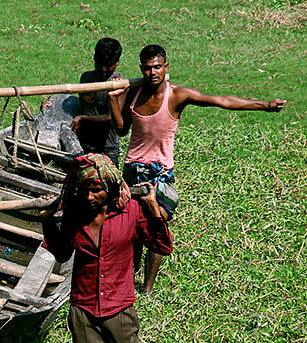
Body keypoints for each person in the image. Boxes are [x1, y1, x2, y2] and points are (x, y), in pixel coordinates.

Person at [109, 44, 286, 294]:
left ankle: (147, 289)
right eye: (147, 69)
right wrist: (113, 98)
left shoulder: (177, 96)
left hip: (160, 176)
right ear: (141, 69)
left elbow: (221, 100)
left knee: (158, 226)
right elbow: (120, 129)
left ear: (166, 67)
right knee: (130, 226)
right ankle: (130, 275)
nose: (152, 73)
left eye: (157, 67)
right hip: (132, 170)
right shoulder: (134, 93)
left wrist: (264, 105)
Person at [41, 153, 173, 343]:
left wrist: (153, 207)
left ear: (111, 187)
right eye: (85, 189)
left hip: (120, 307)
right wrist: (48, 220)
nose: (90, 196)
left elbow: (162, 246)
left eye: (97, 189)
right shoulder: (74, 215)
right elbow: (61, 254)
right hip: (84, 309)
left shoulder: (131, 211)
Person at [72, 37, 123, 165]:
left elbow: (112, 119)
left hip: (106, 150)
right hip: (82, 146)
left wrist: (83, 119)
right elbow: (83, 107)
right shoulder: (86, 78)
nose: (104, 70)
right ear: (94, 58)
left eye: (109, 65)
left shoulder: (117, 84)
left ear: (117, 62)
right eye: (100, 64)